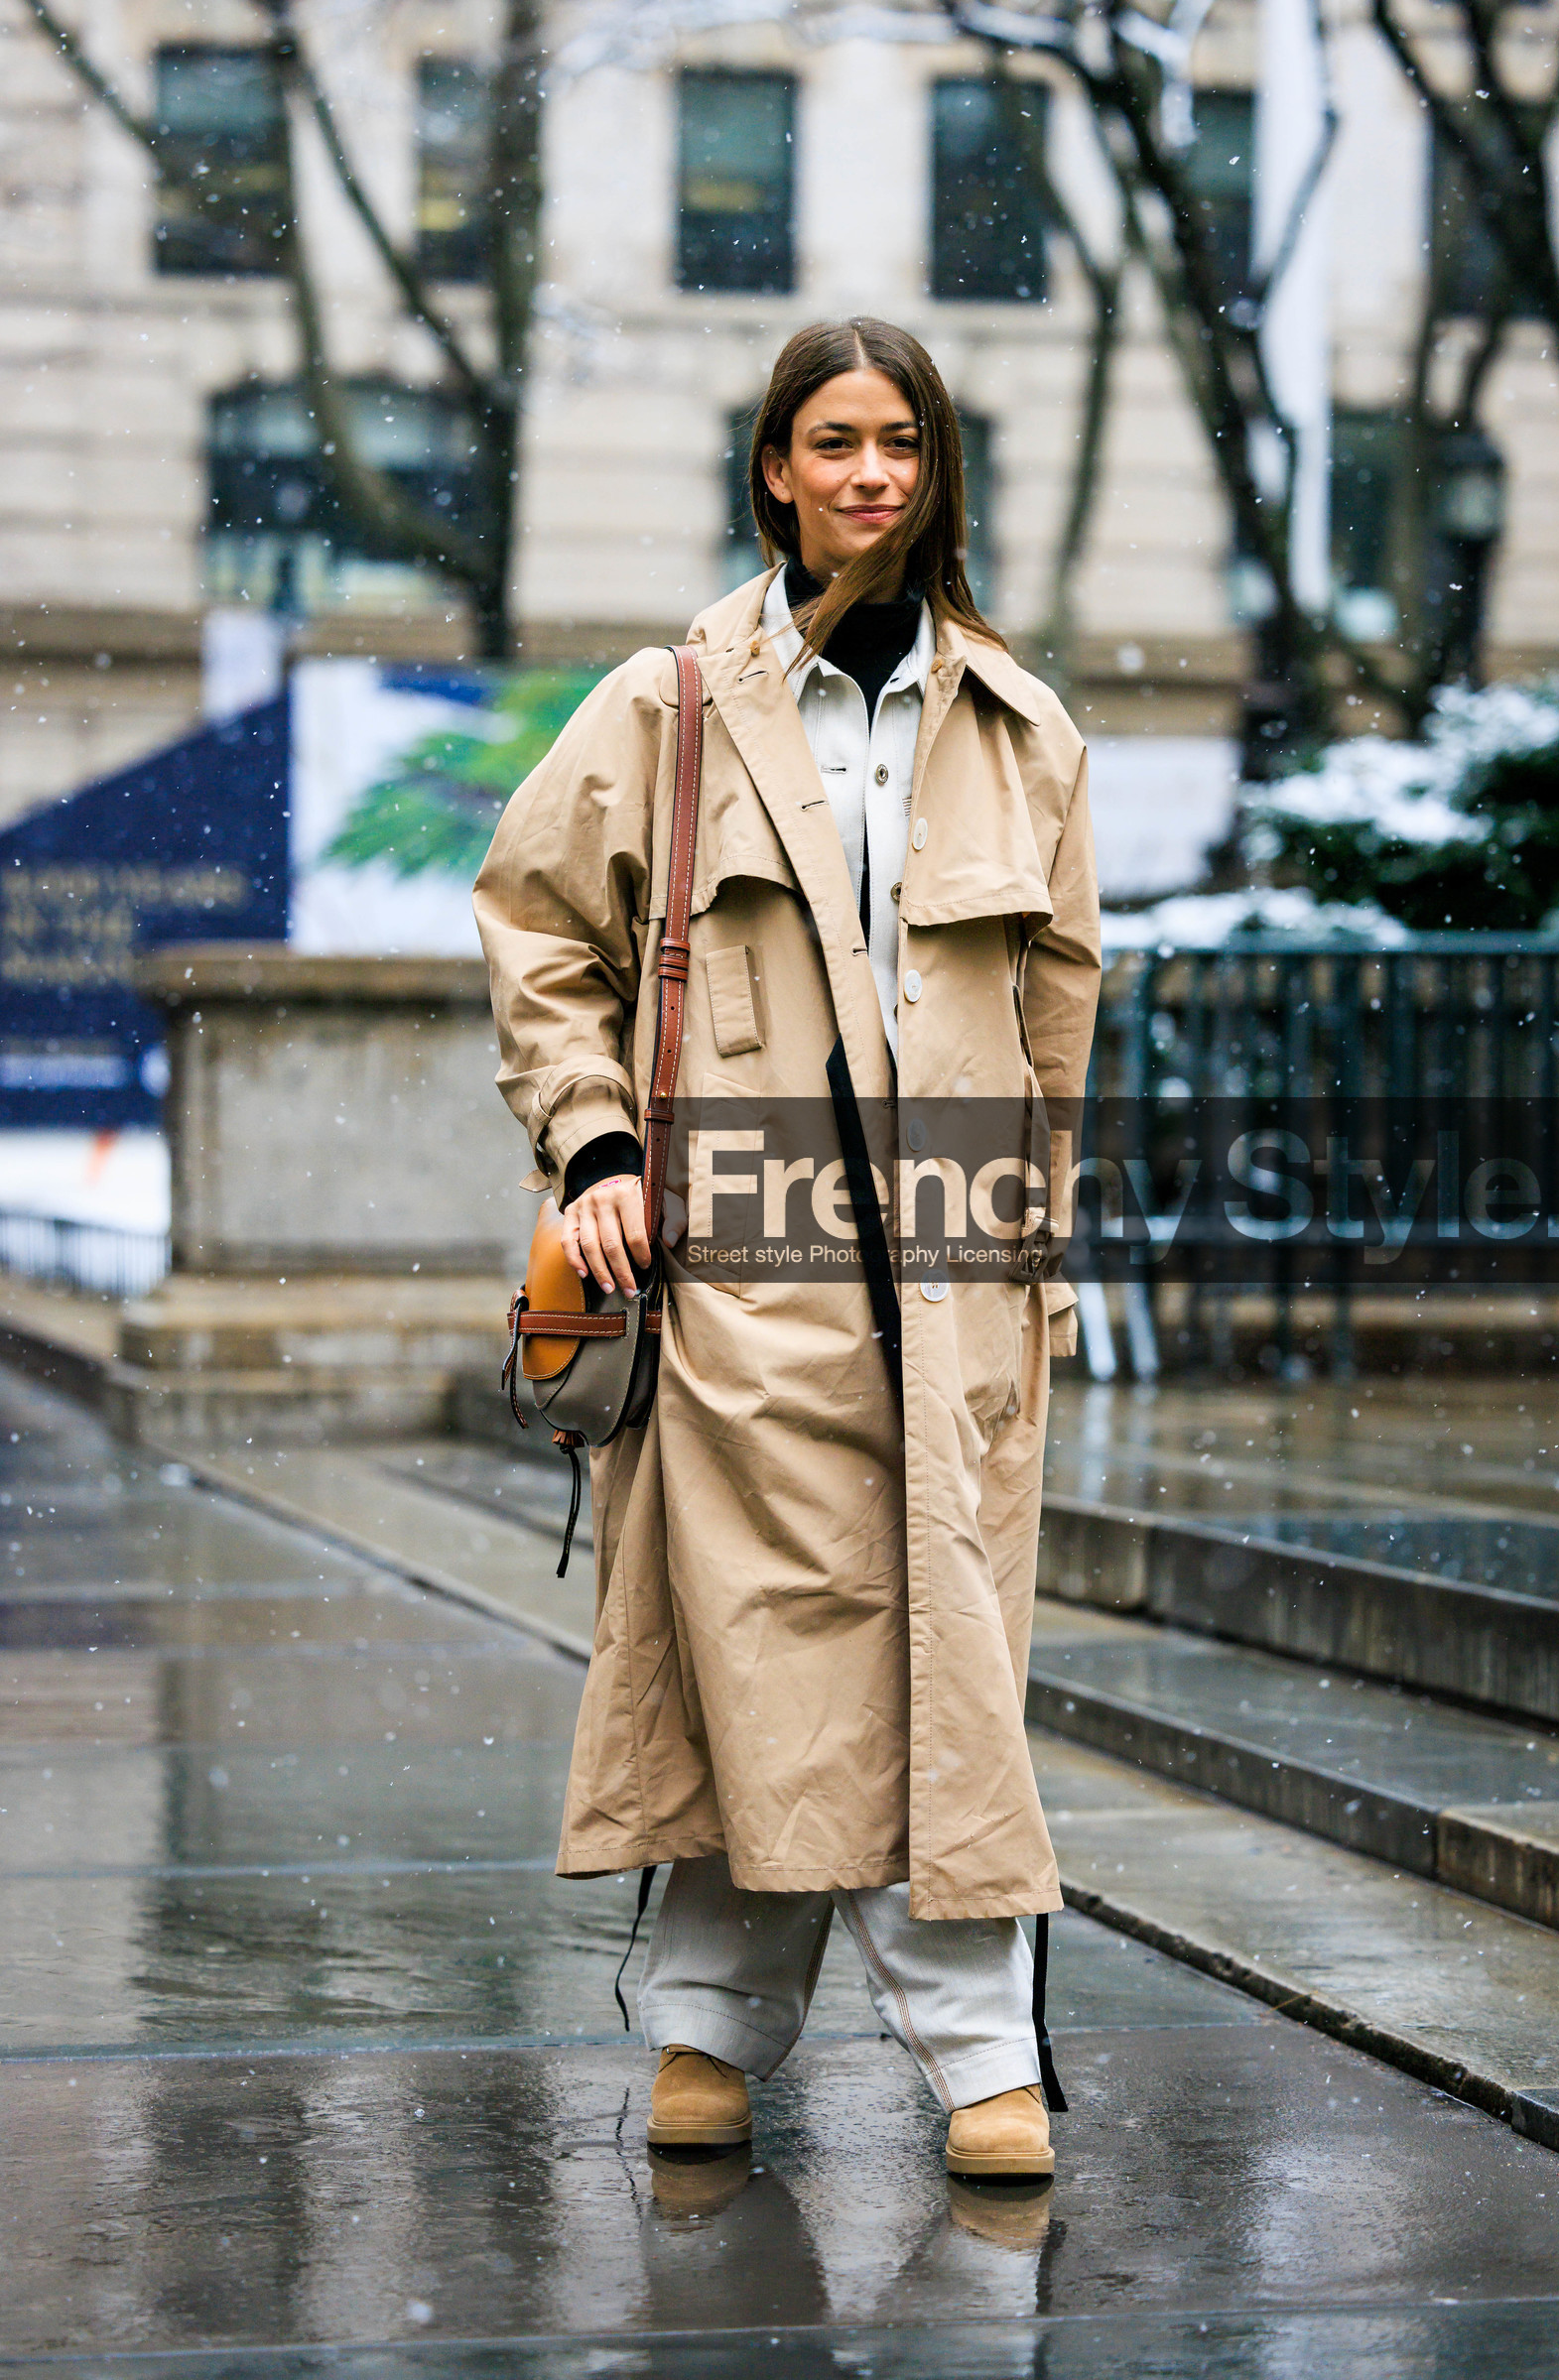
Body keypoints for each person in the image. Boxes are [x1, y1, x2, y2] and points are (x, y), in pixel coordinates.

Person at [474, 317, 1101, 2182]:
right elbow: (538, 928)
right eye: (834, 441)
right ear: (775, 466)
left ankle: (726, 2038)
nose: (871, 475)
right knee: (775, 1651)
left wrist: (1031, 1246)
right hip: (746, 1258)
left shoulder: (1021, 723)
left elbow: (1057, 1015)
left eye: (900, 441)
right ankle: (913, 2051)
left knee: (940, 1650)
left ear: (935, 466)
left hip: (961, 1263)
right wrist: (591, 1141)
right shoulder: (671, 707)